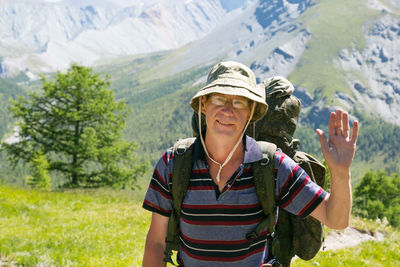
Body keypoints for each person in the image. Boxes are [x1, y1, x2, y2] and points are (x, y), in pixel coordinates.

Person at [142, 61, 359, 266]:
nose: (228, 110)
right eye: (219, 98)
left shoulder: (273, 166)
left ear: (251, 112)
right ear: (203, 104)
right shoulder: (173, 163)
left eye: (239, 102)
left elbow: (336, 218)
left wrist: (340, 172)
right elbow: (156, 243)